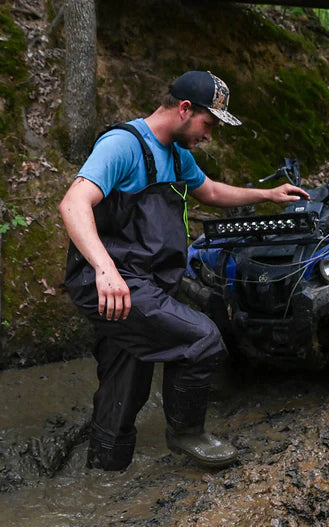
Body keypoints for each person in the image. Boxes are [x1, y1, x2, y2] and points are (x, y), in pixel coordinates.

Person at [59, 70, 309, 471]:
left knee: (125, 379)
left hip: (144, 283)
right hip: (112, 282)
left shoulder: (177, 156)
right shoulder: (122, 145)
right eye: (208, 124)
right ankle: (186, 432)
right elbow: (73, 204)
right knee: (202, 340)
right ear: (185, 109)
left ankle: (103, 473)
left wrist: (267, 194)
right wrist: (106, 270)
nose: (210, 136)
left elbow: (209, 191)